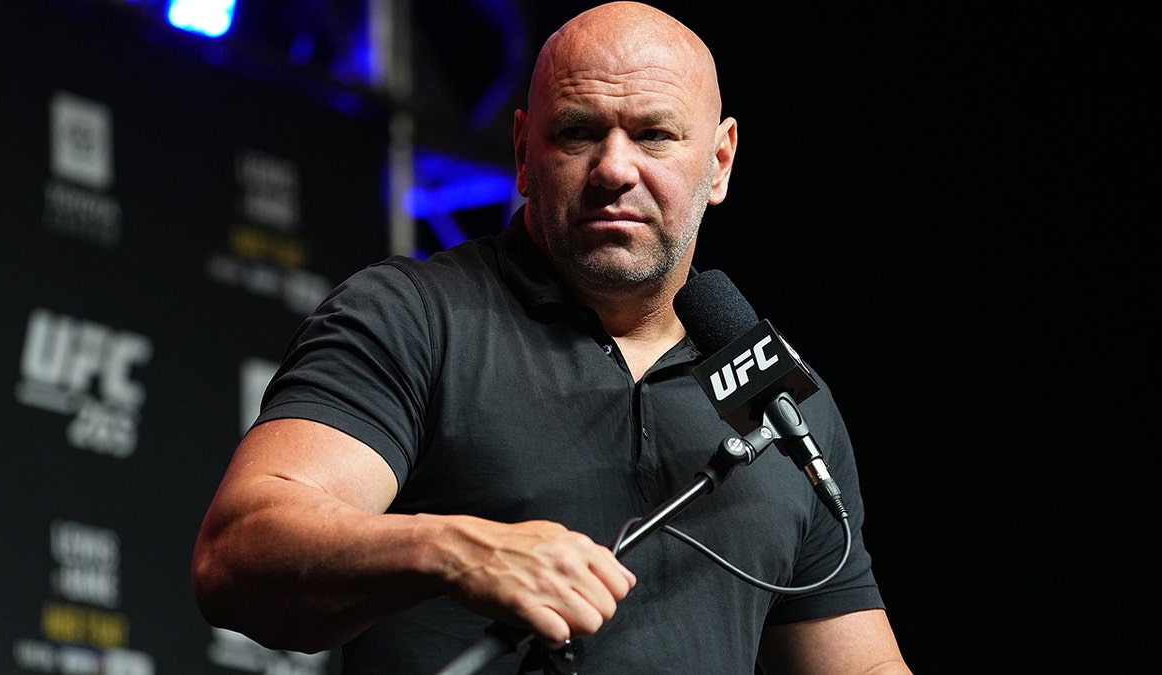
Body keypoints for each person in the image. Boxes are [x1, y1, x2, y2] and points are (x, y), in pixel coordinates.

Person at [190, 2, 912, 673]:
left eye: (655, 133)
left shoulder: (782, 400)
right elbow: (238, 554)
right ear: (522, 151)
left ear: (719, 161)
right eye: (578, 131)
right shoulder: (412, 315)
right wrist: (456, 549)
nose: (615, 169)